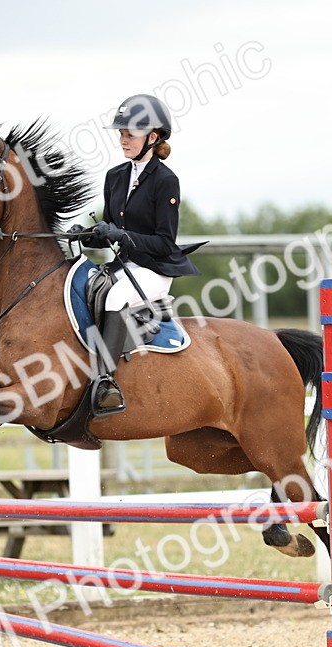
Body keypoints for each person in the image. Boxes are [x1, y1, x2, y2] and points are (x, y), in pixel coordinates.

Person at [83, 93, 202, 416]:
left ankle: (105, 382)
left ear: (153, 137)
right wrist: (92, 235)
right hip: (124, 264)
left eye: (129, 134)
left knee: (114, 298)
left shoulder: (166, 181)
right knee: (83, 290)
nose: (123, 140)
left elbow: (164, 242)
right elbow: (110, 228)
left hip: (155, 269)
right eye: (121, 133)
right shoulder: (115, 177)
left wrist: (122, 236)